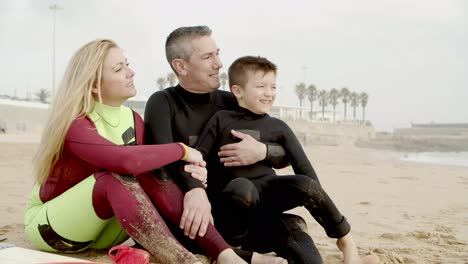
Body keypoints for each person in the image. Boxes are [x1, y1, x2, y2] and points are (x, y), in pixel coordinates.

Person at [23, 39, 244, 264]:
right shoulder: (76, 123)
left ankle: (225, 254)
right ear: (95, 86)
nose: (131, 72)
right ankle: (184, 260)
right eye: (119, 69)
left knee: (153, 173)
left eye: (127, 64)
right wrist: (182, 150)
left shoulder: (133, 119)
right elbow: (124, 161)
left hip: (108, 233)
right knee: (115, 176)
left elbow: (150, 169)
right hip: (55, 230)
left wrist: (195, 187)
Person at [144, 25, 320, 263]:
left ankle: (281, 233)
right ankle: (242, 254)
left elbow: (284, 154)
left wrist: (262, 151)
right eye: (208, 57)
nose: (219, 63)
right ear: (181, 66)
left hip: (251, 208)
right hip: (203, 215)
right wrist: (194, 189)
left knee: (306, 257)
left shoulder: (233, 102)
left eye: (218, 53)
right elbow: (161, 163)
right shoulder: (163, 103)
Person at [195, 55, 380, 264]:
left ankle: (346, 241)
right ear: (238, 91)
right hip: (234, 210)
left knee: (305, 187)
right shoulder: (221, 119)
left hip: (269, 207)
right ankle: (236, 252)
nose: (269, 93)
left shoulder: (278, 127)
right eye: (261, 86)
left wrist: (313, 197)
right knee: (242, 187)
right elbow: (198, 155)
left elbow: (307, 173)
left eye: (273, 87)